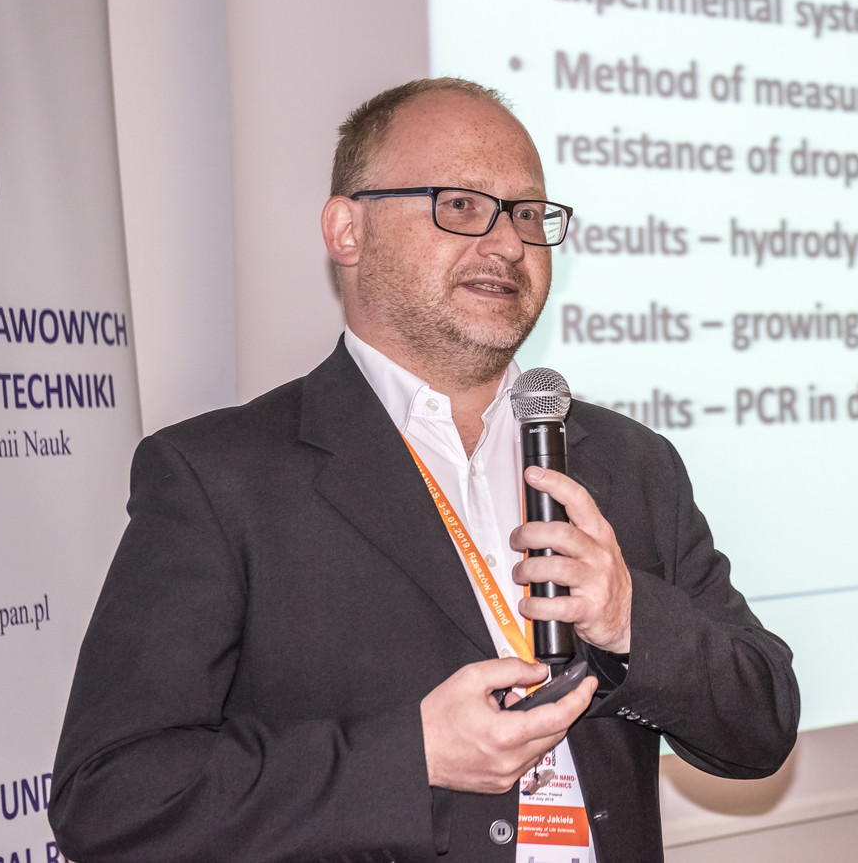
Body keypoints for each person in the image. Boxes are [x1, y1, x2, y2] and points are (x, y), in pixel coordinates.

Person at [49, 78, 799, 863]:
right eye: (462, 205)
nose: (507, 244)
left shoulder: (630, 463)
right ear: (348, 230)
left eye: (527, 214)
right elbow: (111, 799)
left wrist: (631, 619)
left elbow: (762, 728)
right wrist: (409, 761)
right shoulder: (221, 478)